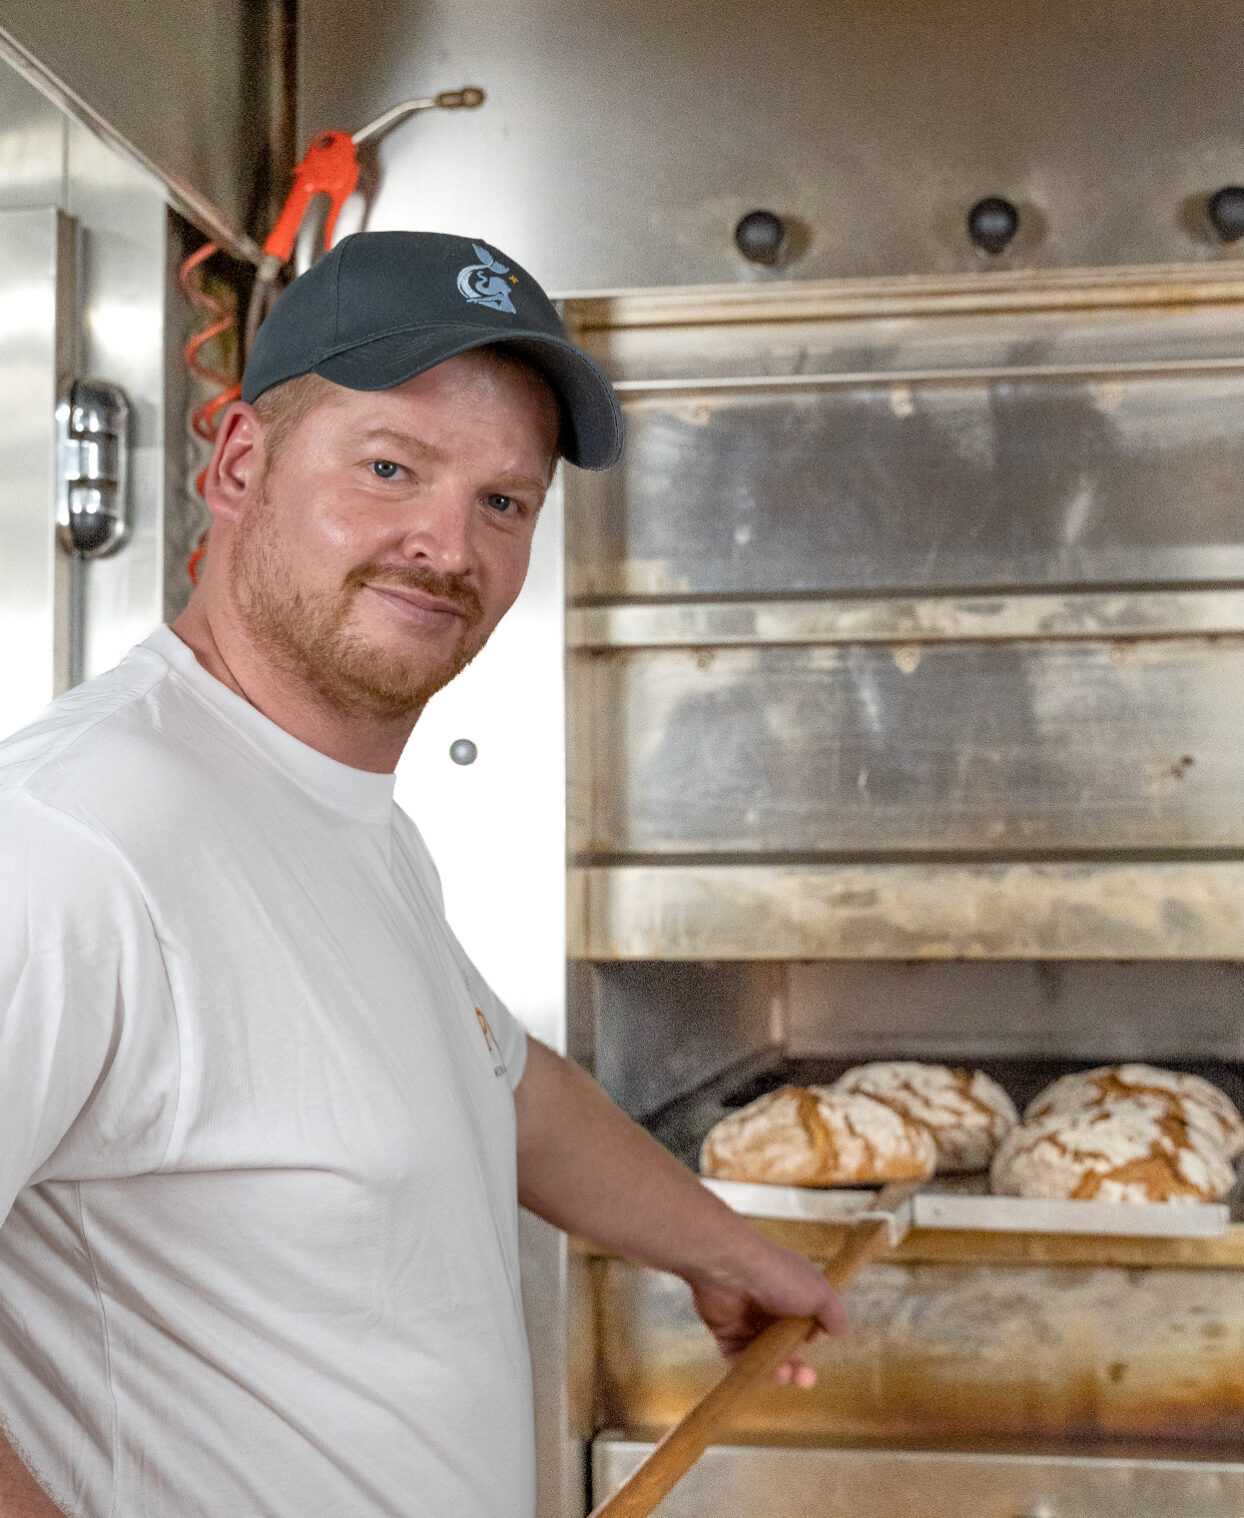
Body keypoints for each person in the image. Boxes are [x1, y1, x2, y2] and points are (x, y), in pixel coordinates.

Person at [0, 231, 845, 1518]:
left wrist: (725, 1252)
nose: (446, 548)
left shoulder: (341, 816)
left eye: (501, 503)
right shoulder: (78, 837)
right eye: (391, 467)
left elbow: (494, 1080)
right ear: (239, 463)